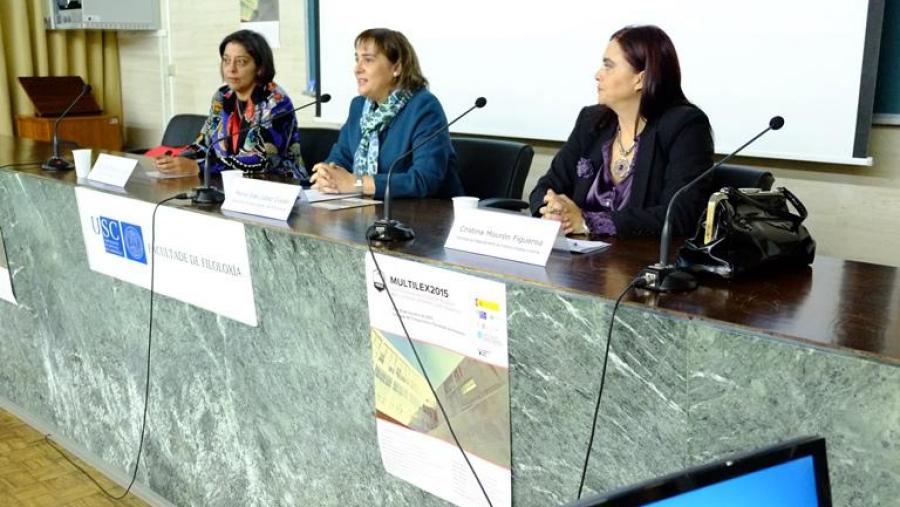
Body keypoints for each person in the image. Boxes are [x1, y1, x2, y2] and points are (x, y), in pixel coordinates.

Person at [529, 25, 713, 237]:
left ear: (640, 79)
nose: (598, 75)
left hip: (640, 256)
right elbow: (546, 186)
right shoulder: (591, 121)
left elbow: (679, 216)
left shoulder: (684, 126)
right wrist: (553, 210)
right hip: (578, 252)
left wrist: (588, 222)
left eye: (609, 66)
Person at [310, 28, 463, 199]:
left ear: (396, 67)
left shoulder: (424, 107)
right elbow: (341, 157)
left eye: (368, 60)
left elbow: (423, 179)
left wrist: (357, 184)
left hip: (428, 211)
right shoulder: (358, 107)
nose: (357, 69)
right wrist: (327, 175)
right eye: (357, 59)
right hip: (370, 208)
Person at [155, 29, 305, 180]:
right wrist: (177, 159)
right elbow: (204, 144)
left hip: (277, 185)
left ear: (260, 67)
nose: (231, 69)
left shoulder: (276, 102)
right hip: (228, 183)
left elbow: (262, 160)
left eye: (241, 62)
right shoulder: (222, 96)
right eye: (226, 60)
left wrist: (199, 167)